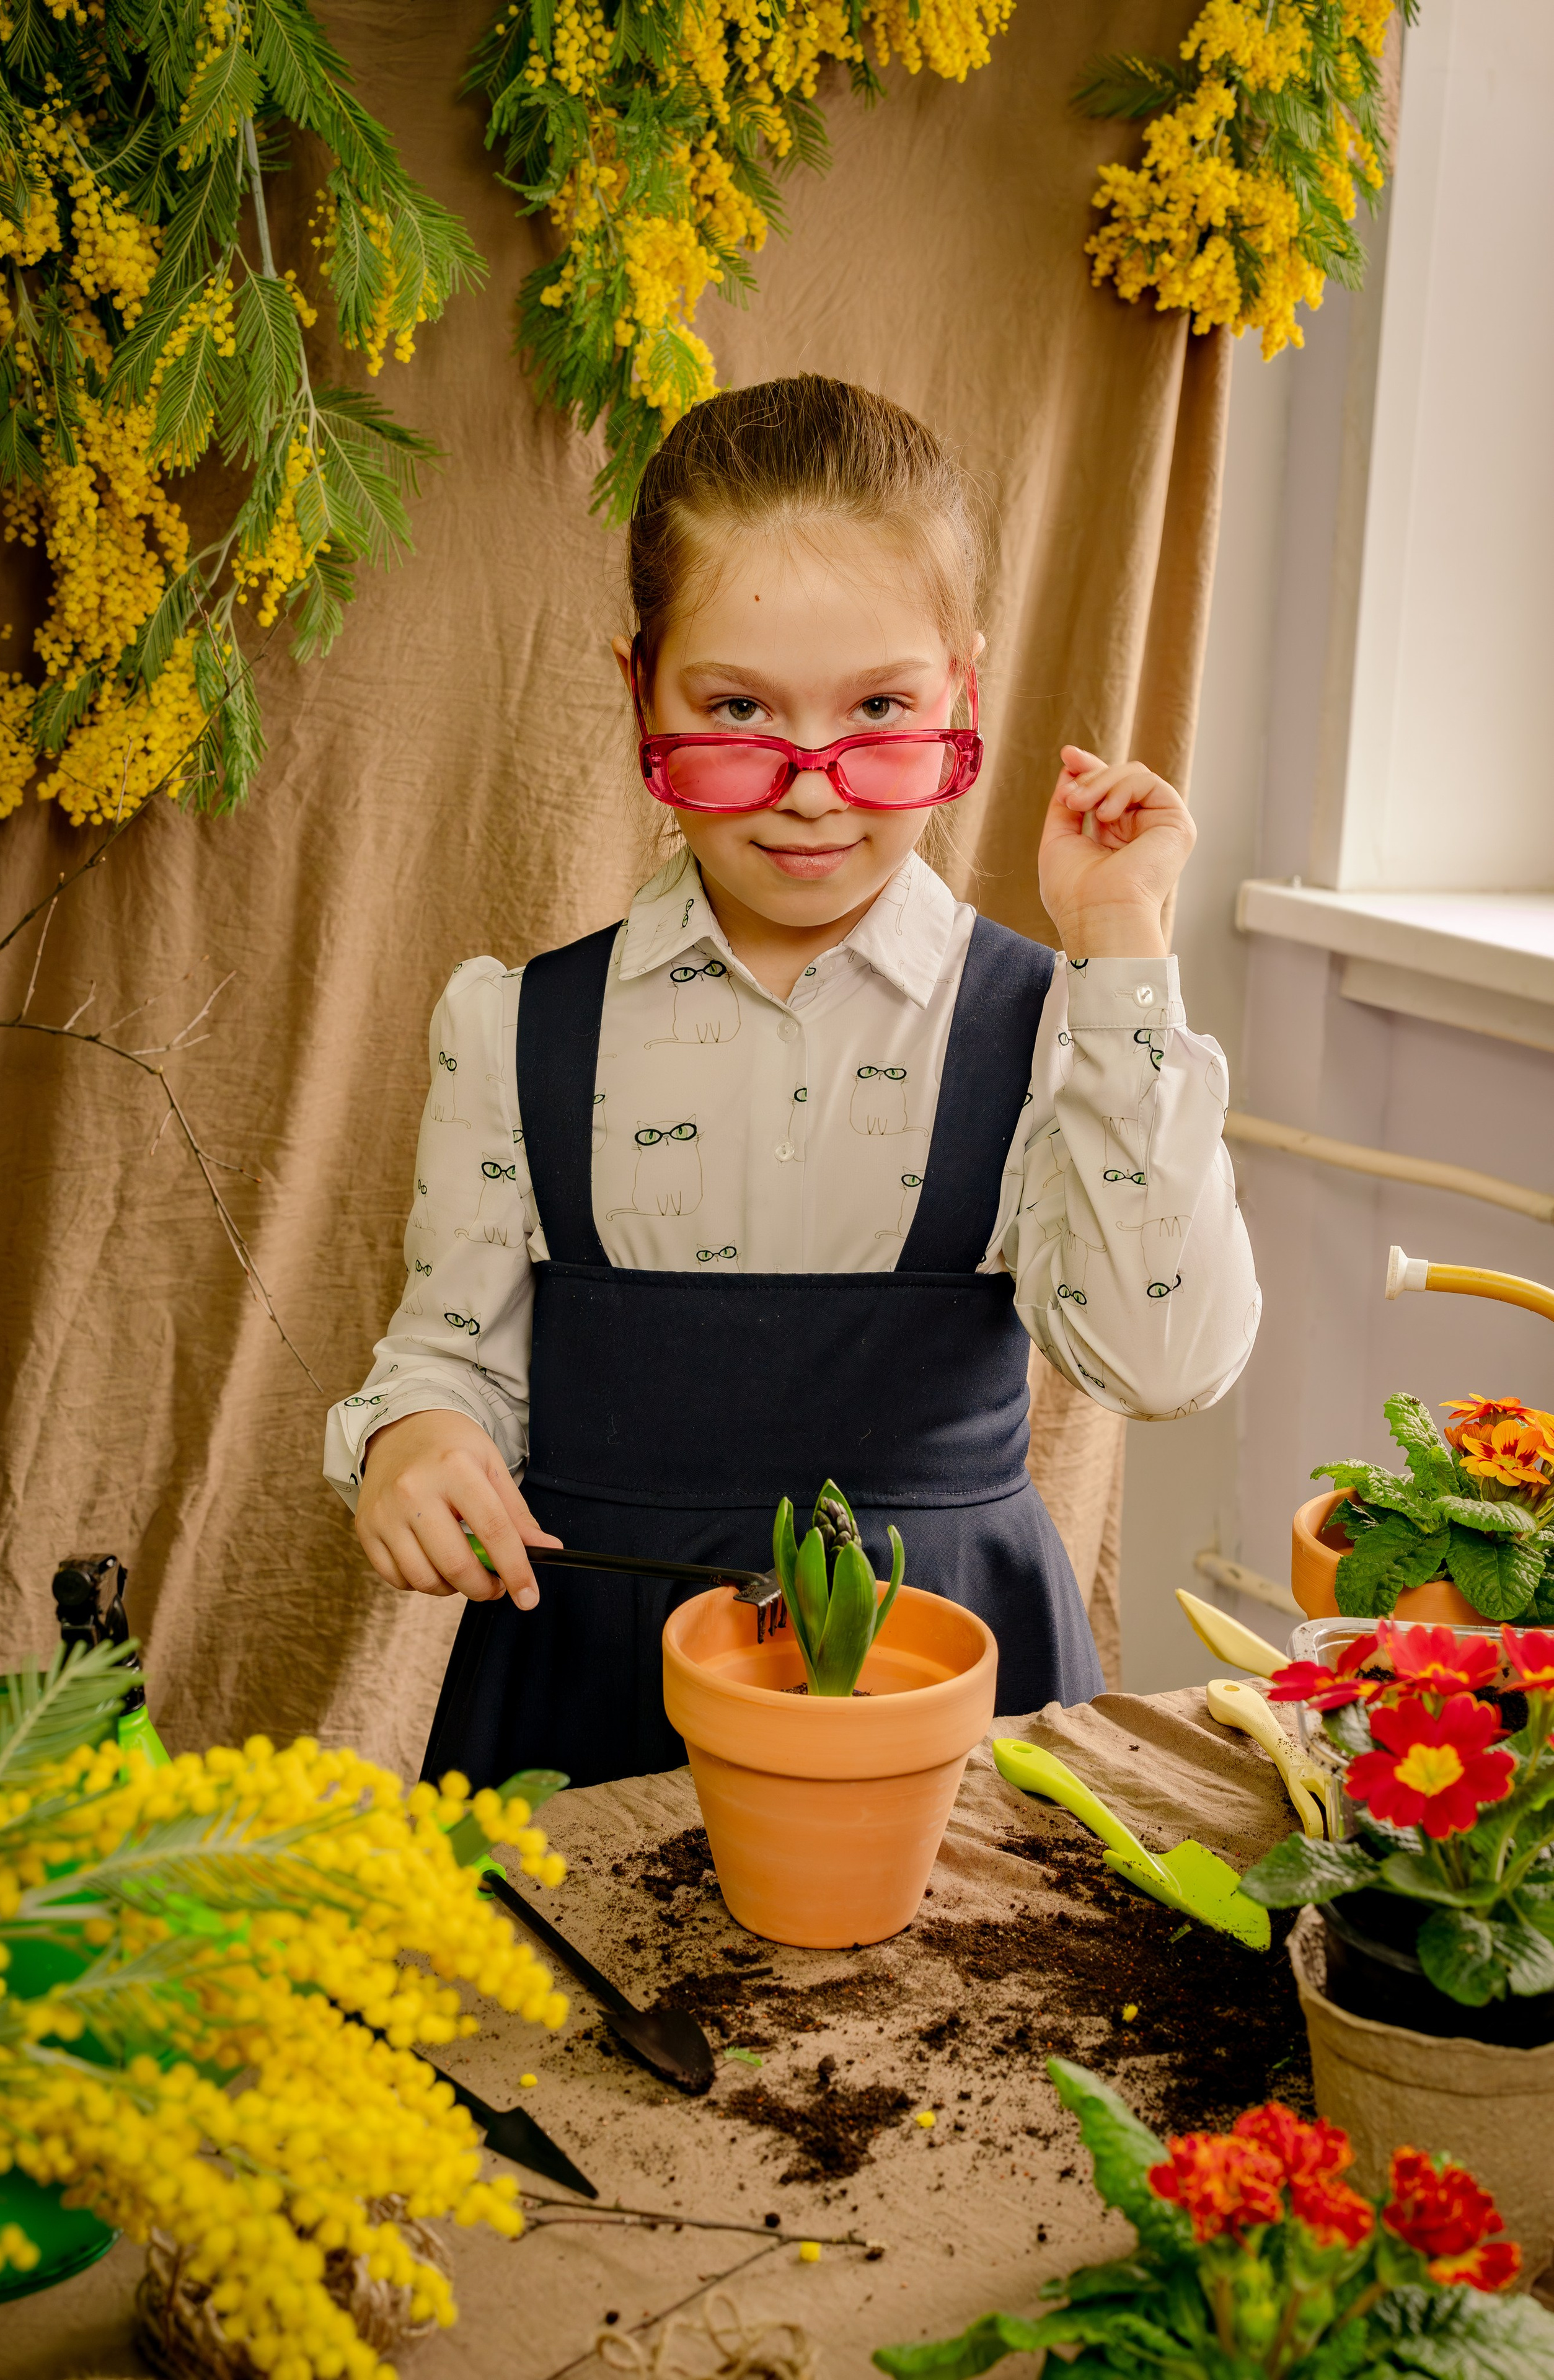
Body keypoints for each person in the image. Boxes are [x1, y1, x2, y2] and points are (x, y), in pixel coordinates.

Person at [324, 374, 1259, 1790]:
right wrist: (417, 1437)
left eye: (880, 707)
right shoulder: (515, 1025)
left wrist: (1119, 945)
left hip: (943, 1683)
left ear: (964, 692)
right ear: (639, 687)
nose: (809, 788)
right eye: (737, 709)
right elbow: (451, 1345)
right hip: (591, 1683)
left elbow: (1166, 1362)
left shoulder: (1058, 1022)